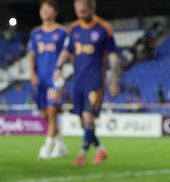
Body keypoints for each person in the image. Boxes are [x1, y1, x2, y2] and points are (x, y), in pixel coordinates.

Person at [54, 0, 120, 167]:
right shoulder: (74, 28)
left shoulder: (104, 28)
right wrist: (58, 67)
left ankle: (82, 154)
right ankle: (100, 149)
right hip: (78, 81)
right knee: (83, 121)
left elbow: (113, 57)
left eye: (84, 10)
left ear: (93, 7)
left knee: (88, 116)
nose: (81, 13)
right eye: (78, 10)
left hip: (95, 80)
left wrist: (115, 80)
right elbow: (66, 51)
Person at [27, 0, 68, 160]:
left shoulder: (62, 32)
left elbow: (67, 53)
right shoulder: (35, 33)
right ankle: (61, 146)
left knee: (52, 112)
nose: (44, 11)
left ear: (55, 11)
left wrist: (61, 72)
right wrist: (32, 73)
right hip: (40, 79)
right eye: (42, 9)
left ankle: (46, 148)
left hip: (55, 79)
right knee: (45, 115)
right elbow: (31, 55)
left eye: (47, 8)